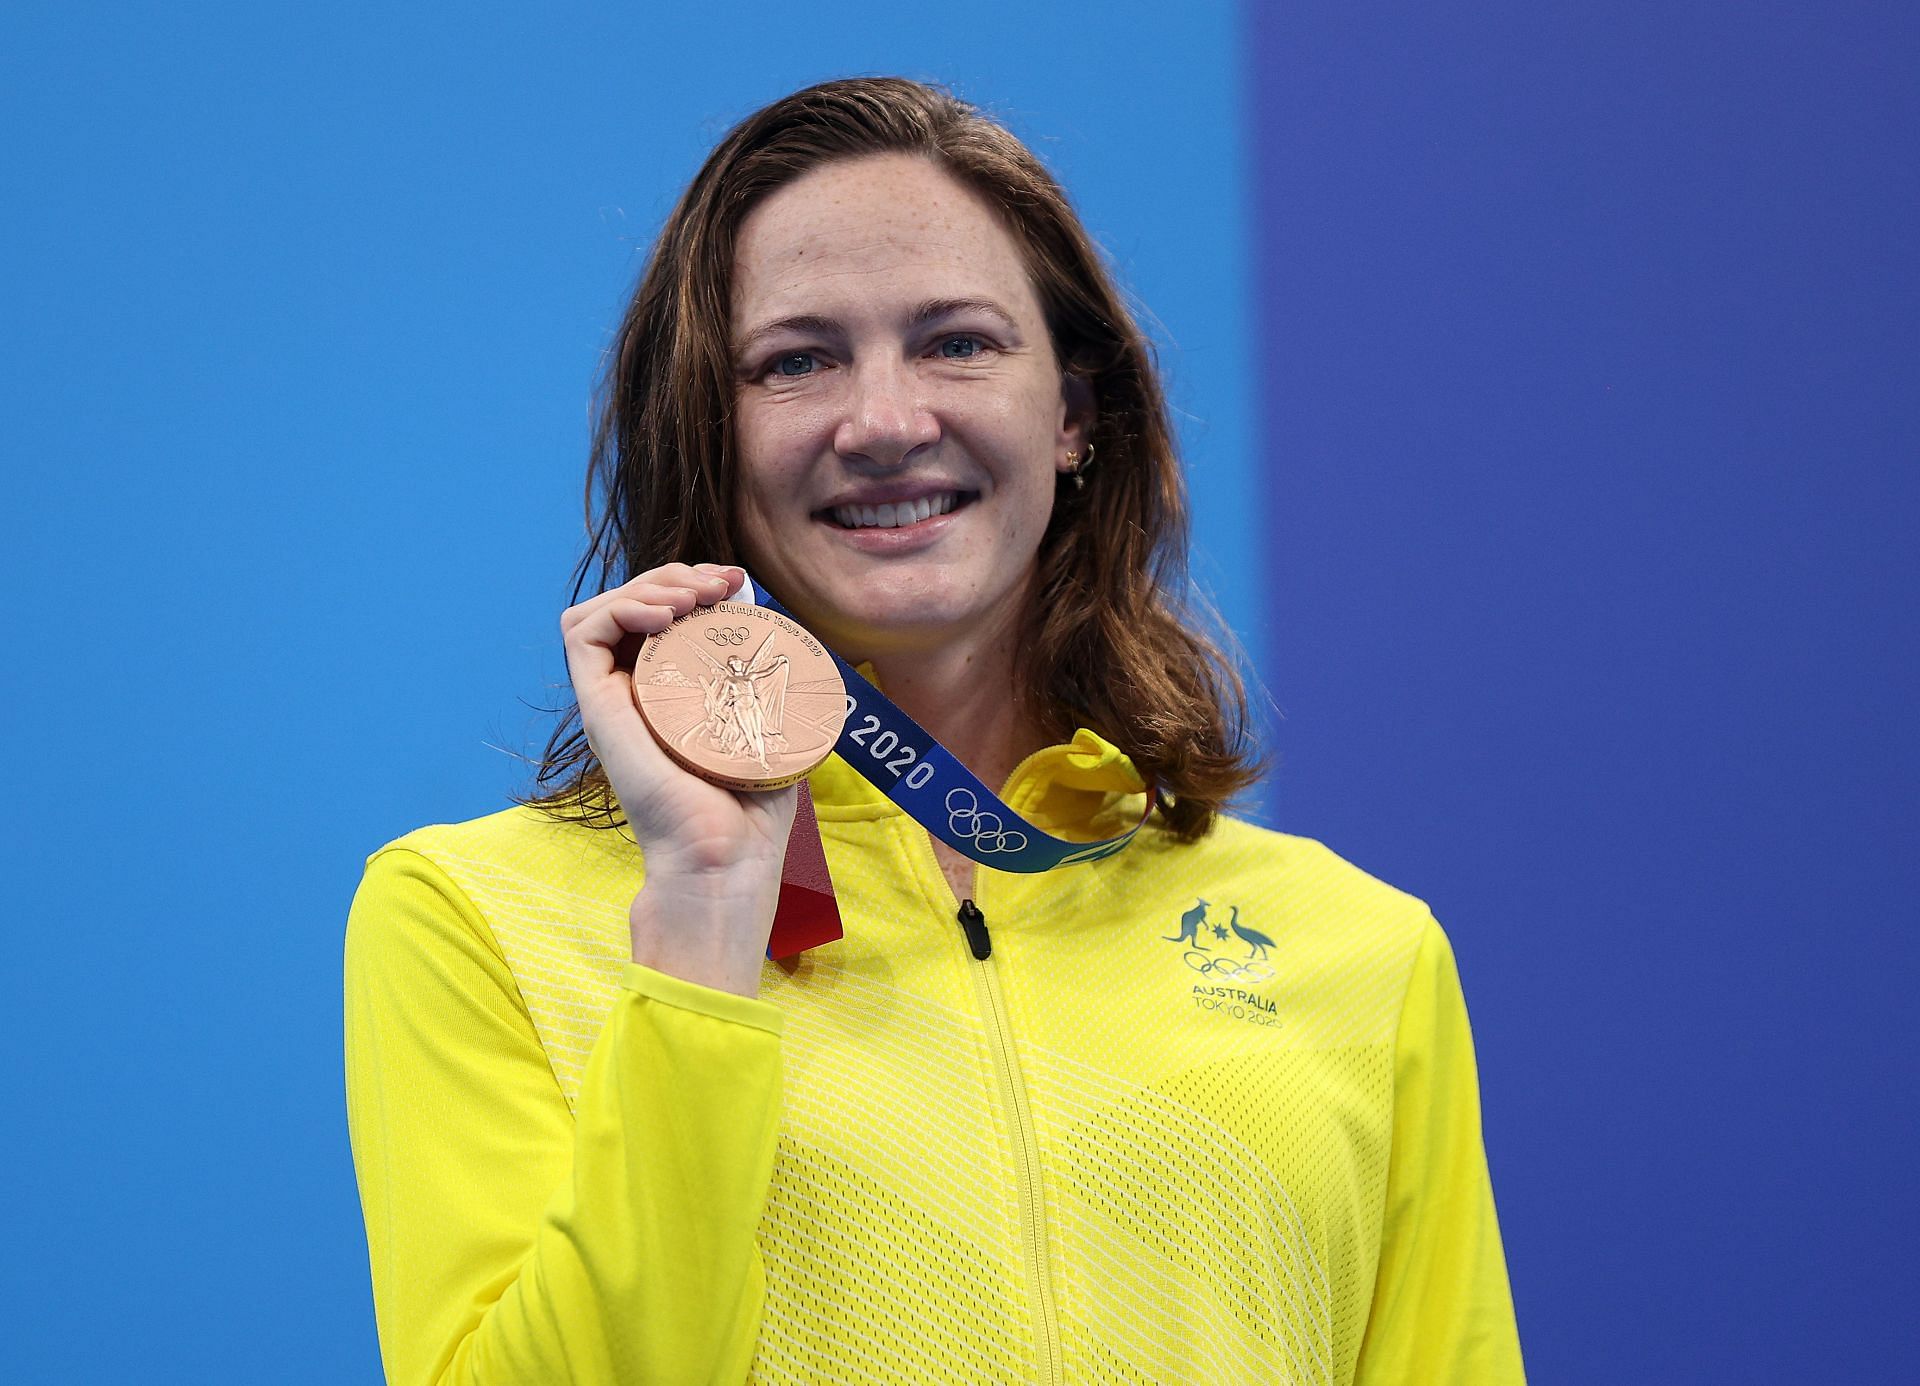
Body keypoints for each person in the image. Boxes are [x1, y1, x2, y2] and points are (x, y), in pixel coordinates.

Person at [343, 76, 1525, 1384]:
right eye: (797, 360)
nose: (889, 421)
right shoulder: (476, 920)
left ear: (1073, 416)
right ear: (708, 430)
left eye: (958, 341)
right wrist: (702, 917)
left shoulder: (1362, 950)